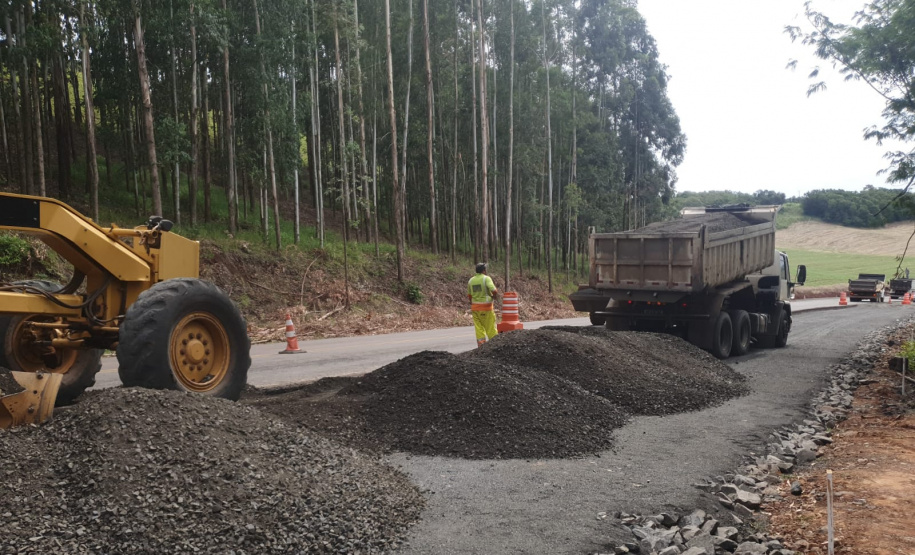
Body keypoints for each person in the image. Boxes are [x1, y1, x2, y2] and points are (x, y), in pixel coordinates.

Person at [468, 262, 499, 347]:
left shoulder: (471, 280)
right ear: (484, 271)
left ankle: (481, 347)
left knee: (479, 329)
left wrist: (472, 302)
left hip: (475, 308)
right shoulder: (486, 279)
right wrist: (494, 297)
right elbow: (494, 290)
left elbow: (469, 295)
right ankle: (494, 346)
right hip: (486, 308)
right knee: (490, 328)